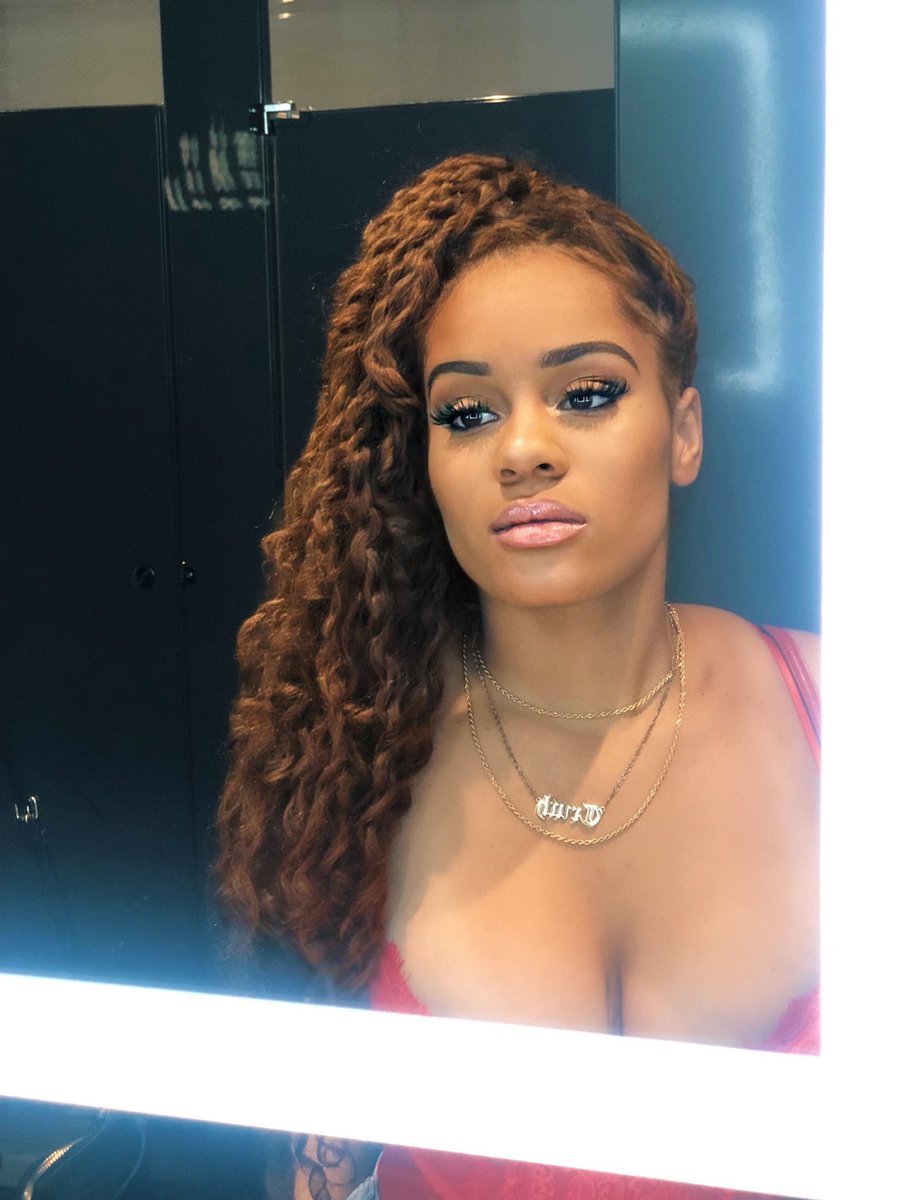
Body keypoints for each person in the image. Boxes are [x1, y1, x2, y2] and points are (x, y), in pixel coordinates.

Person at [216, 154, 820, 1200]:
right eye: (467, 412)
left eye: (586, 394)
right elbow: (315, 1169)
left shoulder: (850, 716)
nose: (523, 450)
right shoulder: (356, 761)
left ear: (683, 433)